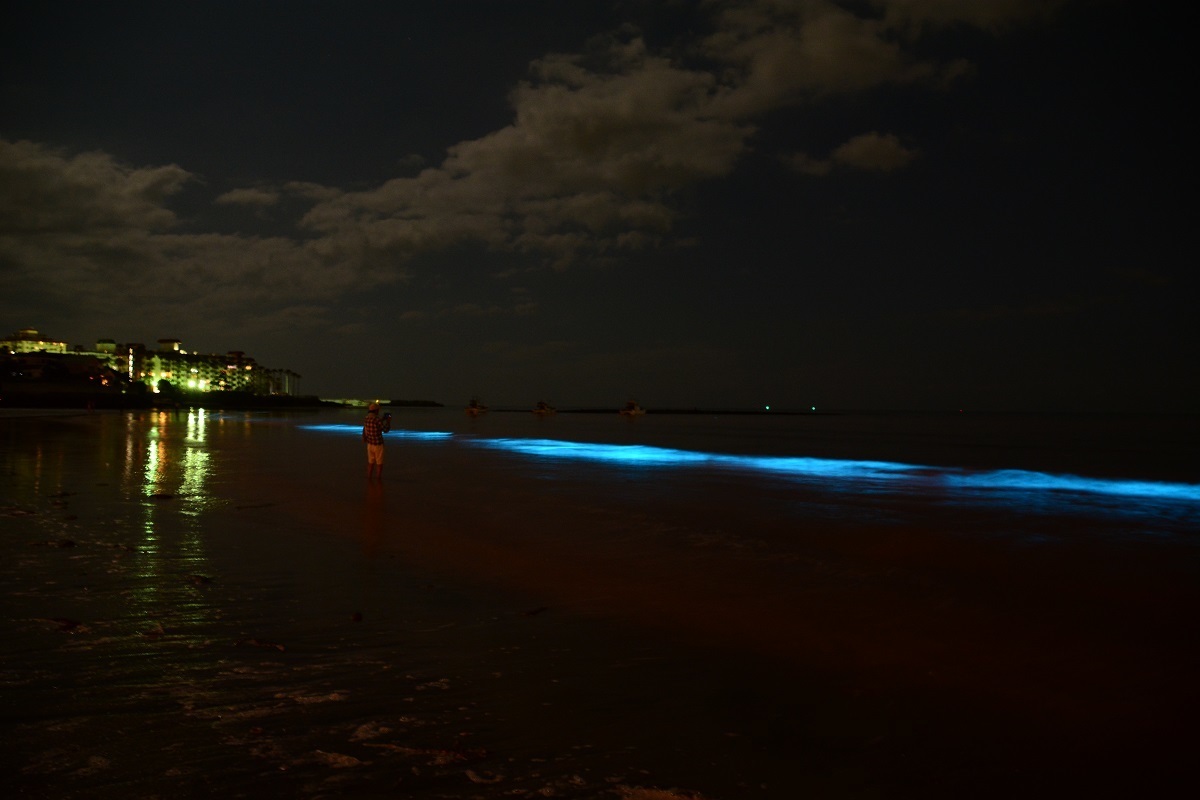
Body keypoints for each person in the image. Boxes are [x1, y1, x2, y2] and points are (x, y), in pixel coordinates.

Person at [362, 402, 386, 479]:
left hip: (370, 444)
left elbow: (366, 428)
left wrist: (364, 437)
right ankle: (378, 479)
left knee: (370, 462)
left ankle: (369, 478)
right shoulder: (377, 420)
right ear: (376, 411)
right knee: (379, 463)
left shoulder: (366, 418)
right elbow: (385, 430)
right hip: (378, 444)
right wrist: (388, 422)